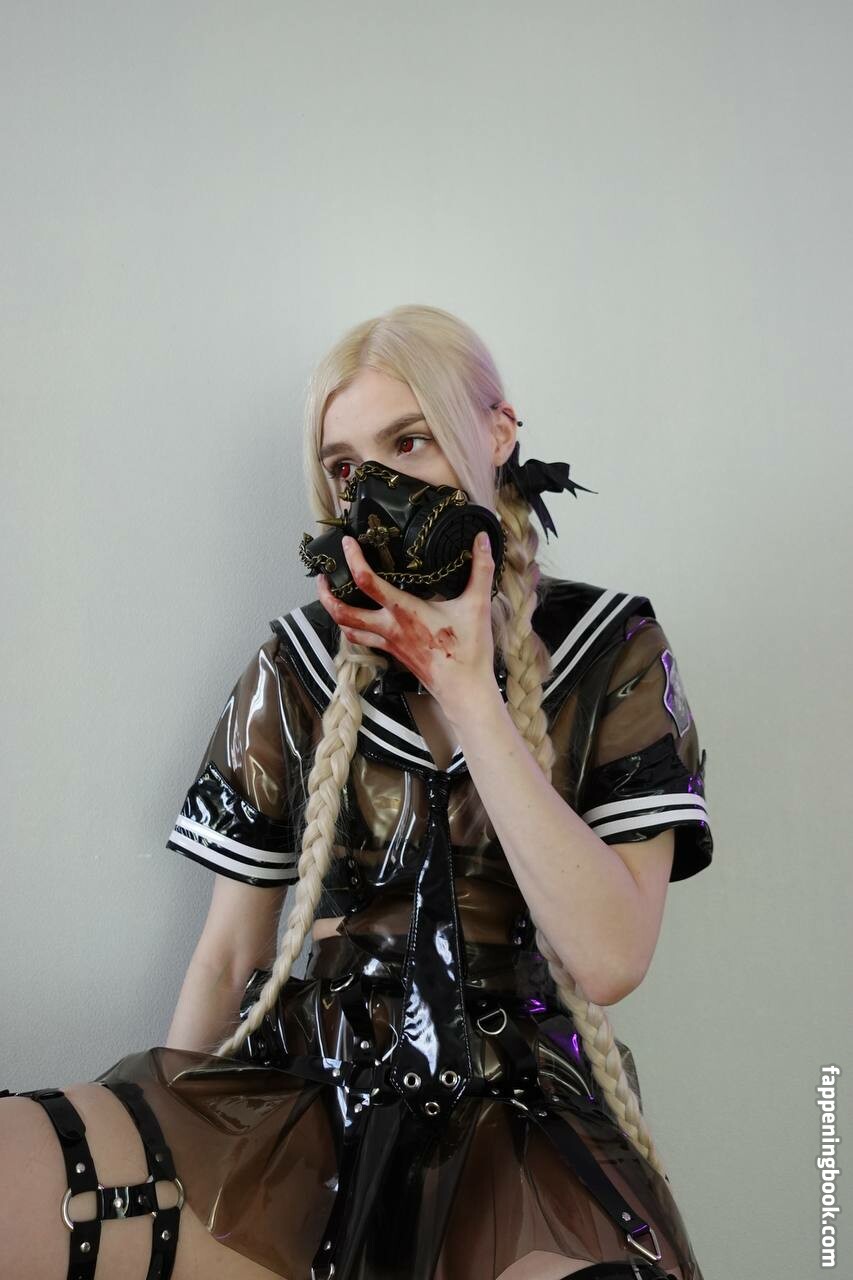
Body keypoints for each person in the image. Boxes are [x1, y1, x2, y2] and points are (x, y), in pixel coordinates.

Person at [1, 304, 714, 1280]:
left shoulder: (610, 647)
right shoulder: (294, 663)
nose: (374, 487)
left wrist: (468, 693)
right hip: (306, 1098)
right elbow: (230, 954)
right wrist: (177, 1141)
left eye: (410, 440)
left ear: (496, 434)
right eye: (345, 464)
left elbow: (610, 957)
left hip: (517, 1114)